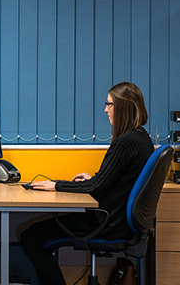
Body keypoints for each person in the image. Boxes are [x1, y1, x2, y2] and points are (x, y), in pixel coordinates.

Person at [19, 82, 154, 285]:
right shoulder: (142, 138)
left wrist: (56, 185)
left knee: (30, 236)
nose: (105, 109)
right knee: (39, 234)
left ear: (123, 107)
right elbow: (116, 180)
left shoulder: (124, 143)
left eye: (109, 104)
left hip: (106, 222)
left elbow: (95, 188)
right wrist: (93, 179)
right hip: (122, 222)